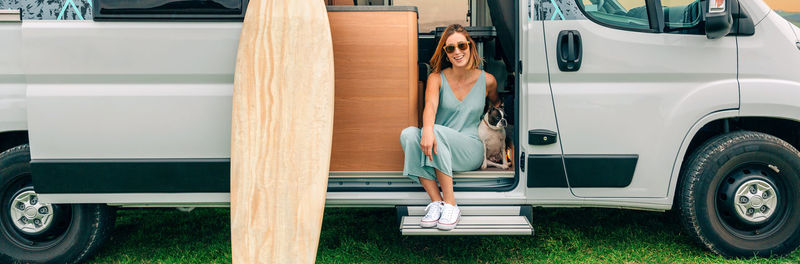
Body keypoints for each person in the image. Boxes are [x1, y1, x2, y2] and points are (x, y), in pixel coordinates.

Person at [399, 24, 501, 230]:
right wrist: (426, 130)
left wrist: (497, 142)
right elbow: (430, 106)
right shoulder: (436, 78)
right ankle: (437, 202)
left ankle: (451, 204)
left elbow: (497, 106)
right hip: (438, 145)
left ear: (470, 47)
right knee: (408, 134)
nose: (457, 52)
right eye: (450, 48)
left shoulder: (488, 81)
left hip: (469, 148)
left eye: (462, 46)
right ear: (446, 53)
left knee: (434, 130)